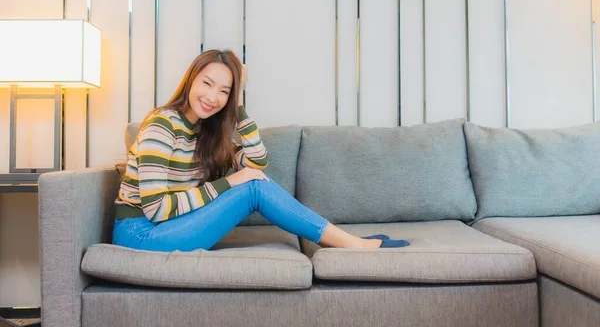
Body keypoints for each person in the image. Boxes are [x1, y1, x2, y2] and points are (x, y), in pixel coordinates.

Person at [112, 49, 410, 252]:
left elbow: (257, 161)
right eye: (207, 83)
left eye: (224, 91)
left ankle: (346, 242)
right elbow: (156, 209)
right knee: (252, 188)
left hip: (170, 226)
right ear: (191, 79)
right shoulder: (162, 125)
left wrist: (237, 104)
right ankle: (351, 244)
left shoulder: (207, 132)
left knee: (253, 181)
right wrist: (229, 182)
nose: (212, 97)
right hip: (141, 234)